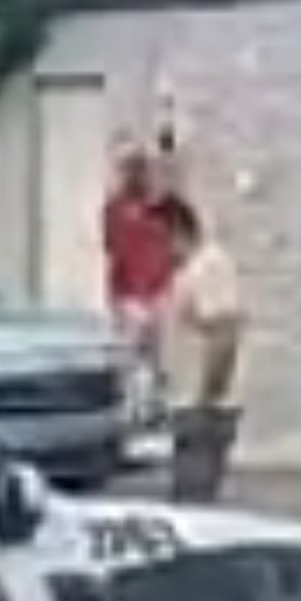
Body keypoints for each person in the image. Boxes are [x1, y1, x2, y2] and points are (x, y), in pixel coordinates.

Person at [103, 146, 193, 429]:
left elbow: (184, 237)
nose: (133, 175)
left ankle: (156, 407)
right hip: (130, 292)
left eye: (138, 169)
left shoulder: (163, 207)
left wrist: (176, 260)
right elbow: (112, 248)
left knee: (158, 354)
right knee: (134, 354)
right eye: (128, 169)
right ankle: (137, 409)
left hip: (159, 288)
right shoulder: (115, 208)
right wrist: (117, 299)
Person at [161, 208, 246, 505]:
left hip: (202, 401)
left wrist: (208, 394)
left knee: (194, 496)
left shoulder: (209, 267)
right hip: (188, 397)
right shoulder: (188, 271)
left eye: (164, 239)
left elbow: (224, 331)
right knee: (186, 489)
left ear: (180, 233)